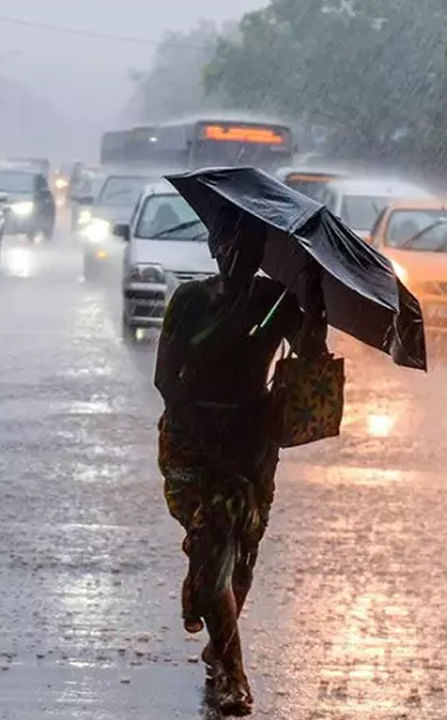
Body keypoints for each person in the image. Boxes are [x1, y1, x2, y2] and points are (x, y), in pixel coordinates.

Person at [154, 232, 327, 716]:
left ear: (260, 254)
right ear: (213, 246)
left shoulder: (275, 302)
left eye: (246, 246)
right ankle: (232, 672)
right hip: (194, 443)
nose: (235, 254)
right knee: (213, 544)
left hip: (252, 445)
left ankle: (212, 612)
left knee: (242, 556)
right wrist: (204, 432)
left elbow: (311, 354)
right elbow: (165, 377)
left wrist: (313, 303)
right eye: (227, 244)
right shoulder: (190, 301)